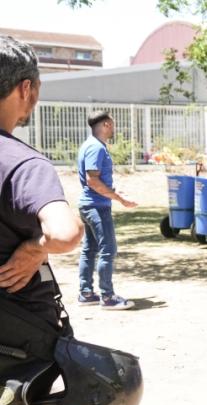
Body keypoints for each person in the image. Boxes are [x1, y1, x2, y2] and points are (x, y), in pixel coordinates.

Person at [0, 36, 85, 405]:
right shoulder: (21, 163)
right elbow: (65, 230)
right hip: (12, 347)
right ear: (25, 90)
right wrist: (34, 249)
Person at [76, 110, 138, 310]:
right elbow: (92, 179)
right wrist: (119, 198)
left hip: (89, 205)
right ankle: (108, 297)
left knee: (89, 250)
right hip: (96, 206)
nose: (114, 125)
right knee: (108, 250)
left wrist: (115, 192)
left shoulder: (90, 145)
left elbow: (96, 179)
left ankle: (86, 294)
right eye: (112, 121)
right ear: (105, 125)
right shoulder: (96, 147)